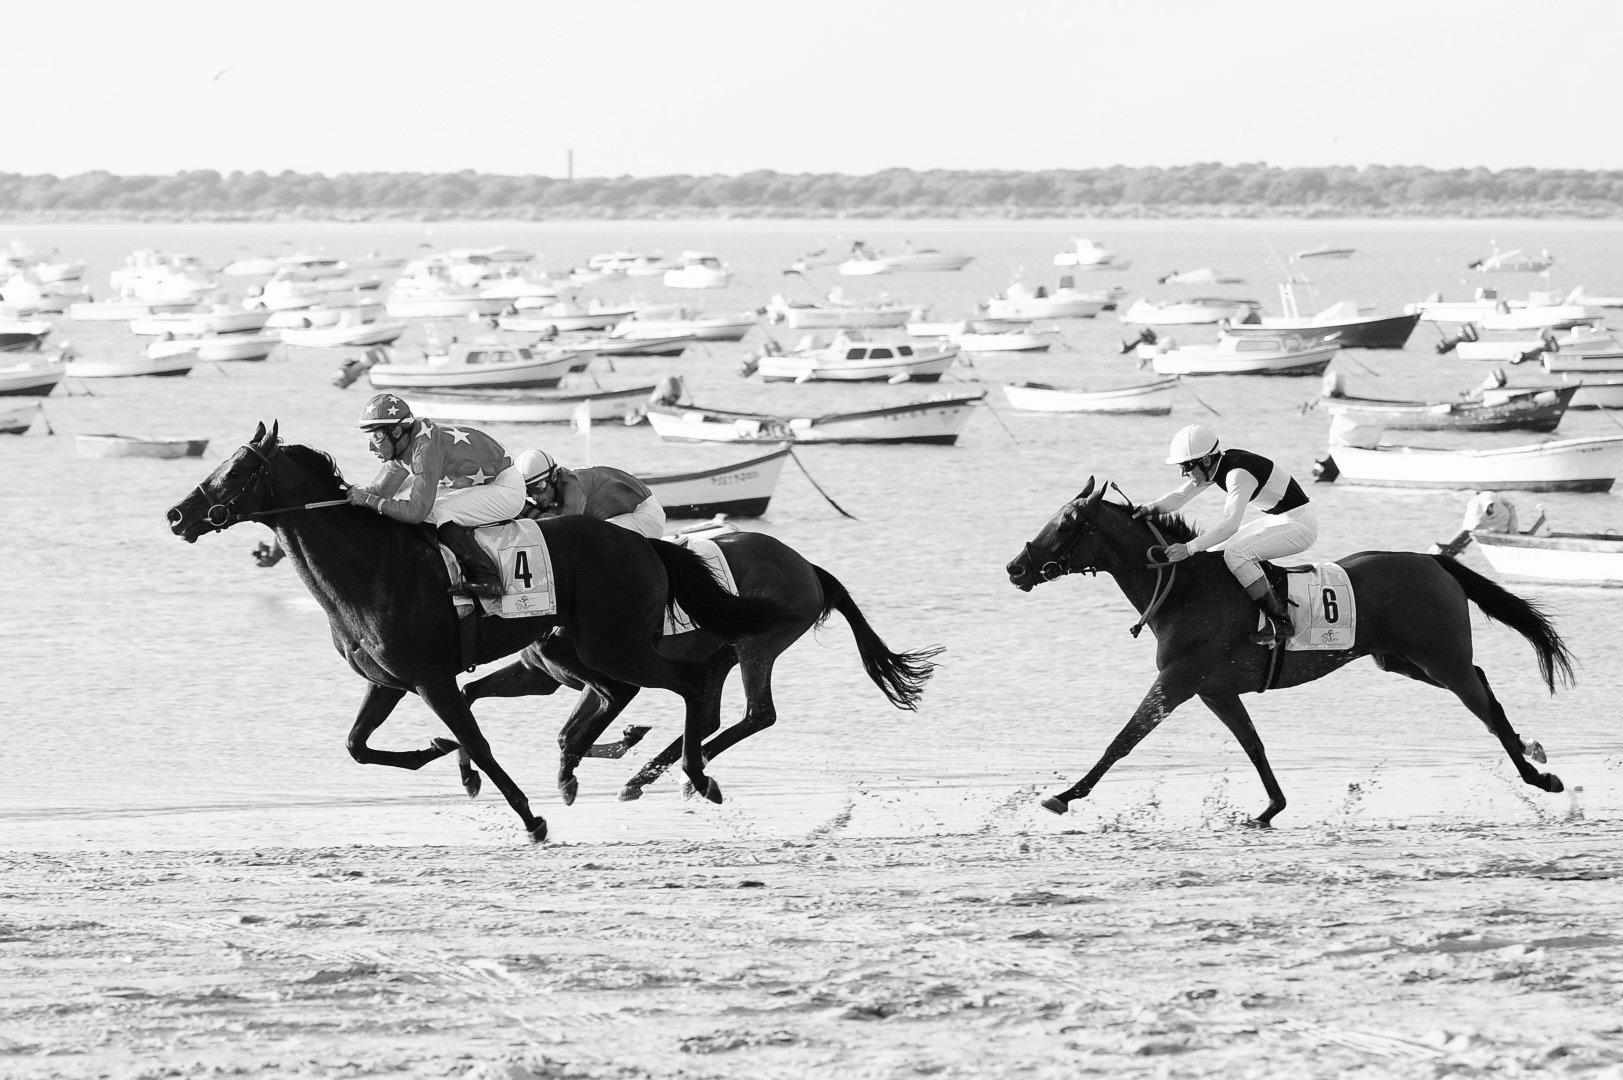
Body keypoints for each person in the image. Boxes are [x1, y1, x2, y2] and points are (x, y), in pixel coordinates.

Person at [1135, 423, 1317, 646]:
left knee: (1236, 555)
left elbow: (1230, 525)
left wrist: (1189, 548)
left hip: (1300, 525)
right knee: (1213, 550)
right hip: (1279, 519)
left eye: (1187, 466)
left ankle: (1281, 621)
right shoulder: (1216, 465)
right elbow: (1180, 497)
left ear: (1206, 461)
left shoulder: (1237, 474)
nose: (1183, 473)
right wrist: (1148, 508)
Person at [347, 392, 524, 598]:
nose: (369, 447)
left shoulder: (425, 450)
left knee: (436, 513)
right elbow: (380, 491)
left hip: (506, 490)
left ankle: (487, 578)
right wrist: (344, 496)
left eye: (375, 437)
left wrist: (369, 500)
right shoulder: (405, 444)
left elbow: (416, 512)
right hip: (482, 484)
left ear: (396, 431)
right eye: (367, 437)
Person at [515, 448, 665, 539]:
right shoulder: (559, 486)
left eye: (539, 487)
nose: (535, 497)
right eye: (529, 492)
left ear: (554, 476)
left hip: (646, 515)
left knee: (591, 538)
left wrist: (528, 510)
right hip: (624, 516)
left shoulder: (573, 485)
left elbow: (564, 528)